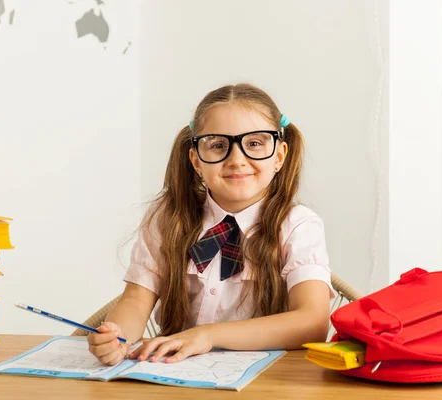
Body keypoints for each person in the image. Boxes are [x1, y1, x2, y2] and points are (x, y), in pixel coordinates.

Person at [88, 83, 334, 366]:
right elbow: (135, 300)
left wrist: (208, 336)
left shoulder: (298, 225)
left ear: (279, 156)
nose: (237, 160)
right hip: (175, 374)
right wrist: (117, 337)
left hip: (269, 380)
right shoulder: (169, 217)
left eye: (254, 143)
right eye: (218, 145)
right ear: (196, 160)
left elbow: (312, 322)